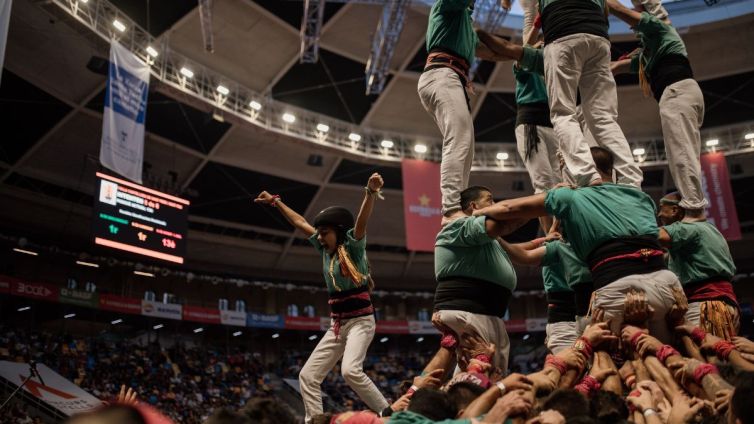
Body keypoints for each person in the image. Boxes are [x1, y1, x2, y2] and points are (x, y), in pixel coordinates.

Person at [471, 147, 683, 343]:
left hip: (618, 287)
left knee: (612, 367)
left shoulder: (571, 198)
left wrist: (478, 213)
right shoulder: (640, 196)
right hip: (667, 285)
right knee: (668, 357)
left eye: (565, 167)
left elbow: (509, 209)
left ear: (581, 168)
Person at [254, 173, 389, 422]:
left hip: (361, 322)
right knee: (308, 376)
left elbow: (361, 222)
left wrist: (370, 192)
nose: (319, 237)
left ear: (338, 232)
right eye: (319, 233)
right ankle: (315, 421)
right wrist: (275, 202)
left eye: (324, 233)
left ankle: (389, 414)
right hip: (338, 326)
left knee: (350, 371)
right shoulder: (324, 248)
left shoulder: (354, 248)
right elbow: (300, 222)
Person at [608, 0, 707, 220]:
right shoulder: (649, 52)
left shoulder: (661, 28)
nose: (631, 24)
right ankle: (692, 205)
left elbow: (621, 11)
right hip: (680, 93)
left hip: (676, 93)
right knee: (681, 153)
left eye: (638, 13)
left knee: (681, 153)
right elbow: (615, 67)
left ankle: (694, 210)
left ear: (647, 15)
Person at [417, 0, 511, 225]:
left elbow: (493, 53)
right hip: (442, 74)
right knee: (458, 140)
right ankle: (450, 209)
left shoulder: (465, 26)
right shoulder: (445, 6)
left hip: (451, 78)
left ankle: (459, 207)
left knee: (465, 146)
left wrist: (525, 53)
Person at [536, 0, 642, 188]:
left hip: (563, 32)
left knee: (563, 113)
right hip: (598, 35)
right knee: (603, 117)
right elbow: (606, 10)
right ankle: (630, 180)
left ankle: (588, 175)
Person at [433, 185, 529, 372]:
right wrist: (546, 201)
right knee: (484, 376)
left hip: (484, 311)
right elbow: (503, 223)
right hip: (470, 309)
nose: (495, 205)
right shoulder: (459, 225)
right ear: (474, 206)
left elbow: (519, 251)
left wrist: (546, 239)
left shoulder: (486, 240)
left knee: (482, 375)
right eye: (490, 200)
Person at [656, 192, 739, 339]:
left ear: (675, 210)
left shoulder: (689, 228)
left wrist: (635, 224)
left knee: (709, 356)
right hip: (720, 303)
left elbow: (659, 236)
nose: (659, 214)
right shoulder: (708, 229)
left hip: (707, 306)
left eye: (662, 208)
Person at [499, 234, 592, 353]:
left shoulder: (565, 244)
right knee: (575, 366)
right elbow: (523, 255)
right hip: (567, 319)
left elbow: (523, 256)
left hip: (582, 317)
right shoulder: (558, 245)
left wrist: (497, 238)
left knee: (590, 366)